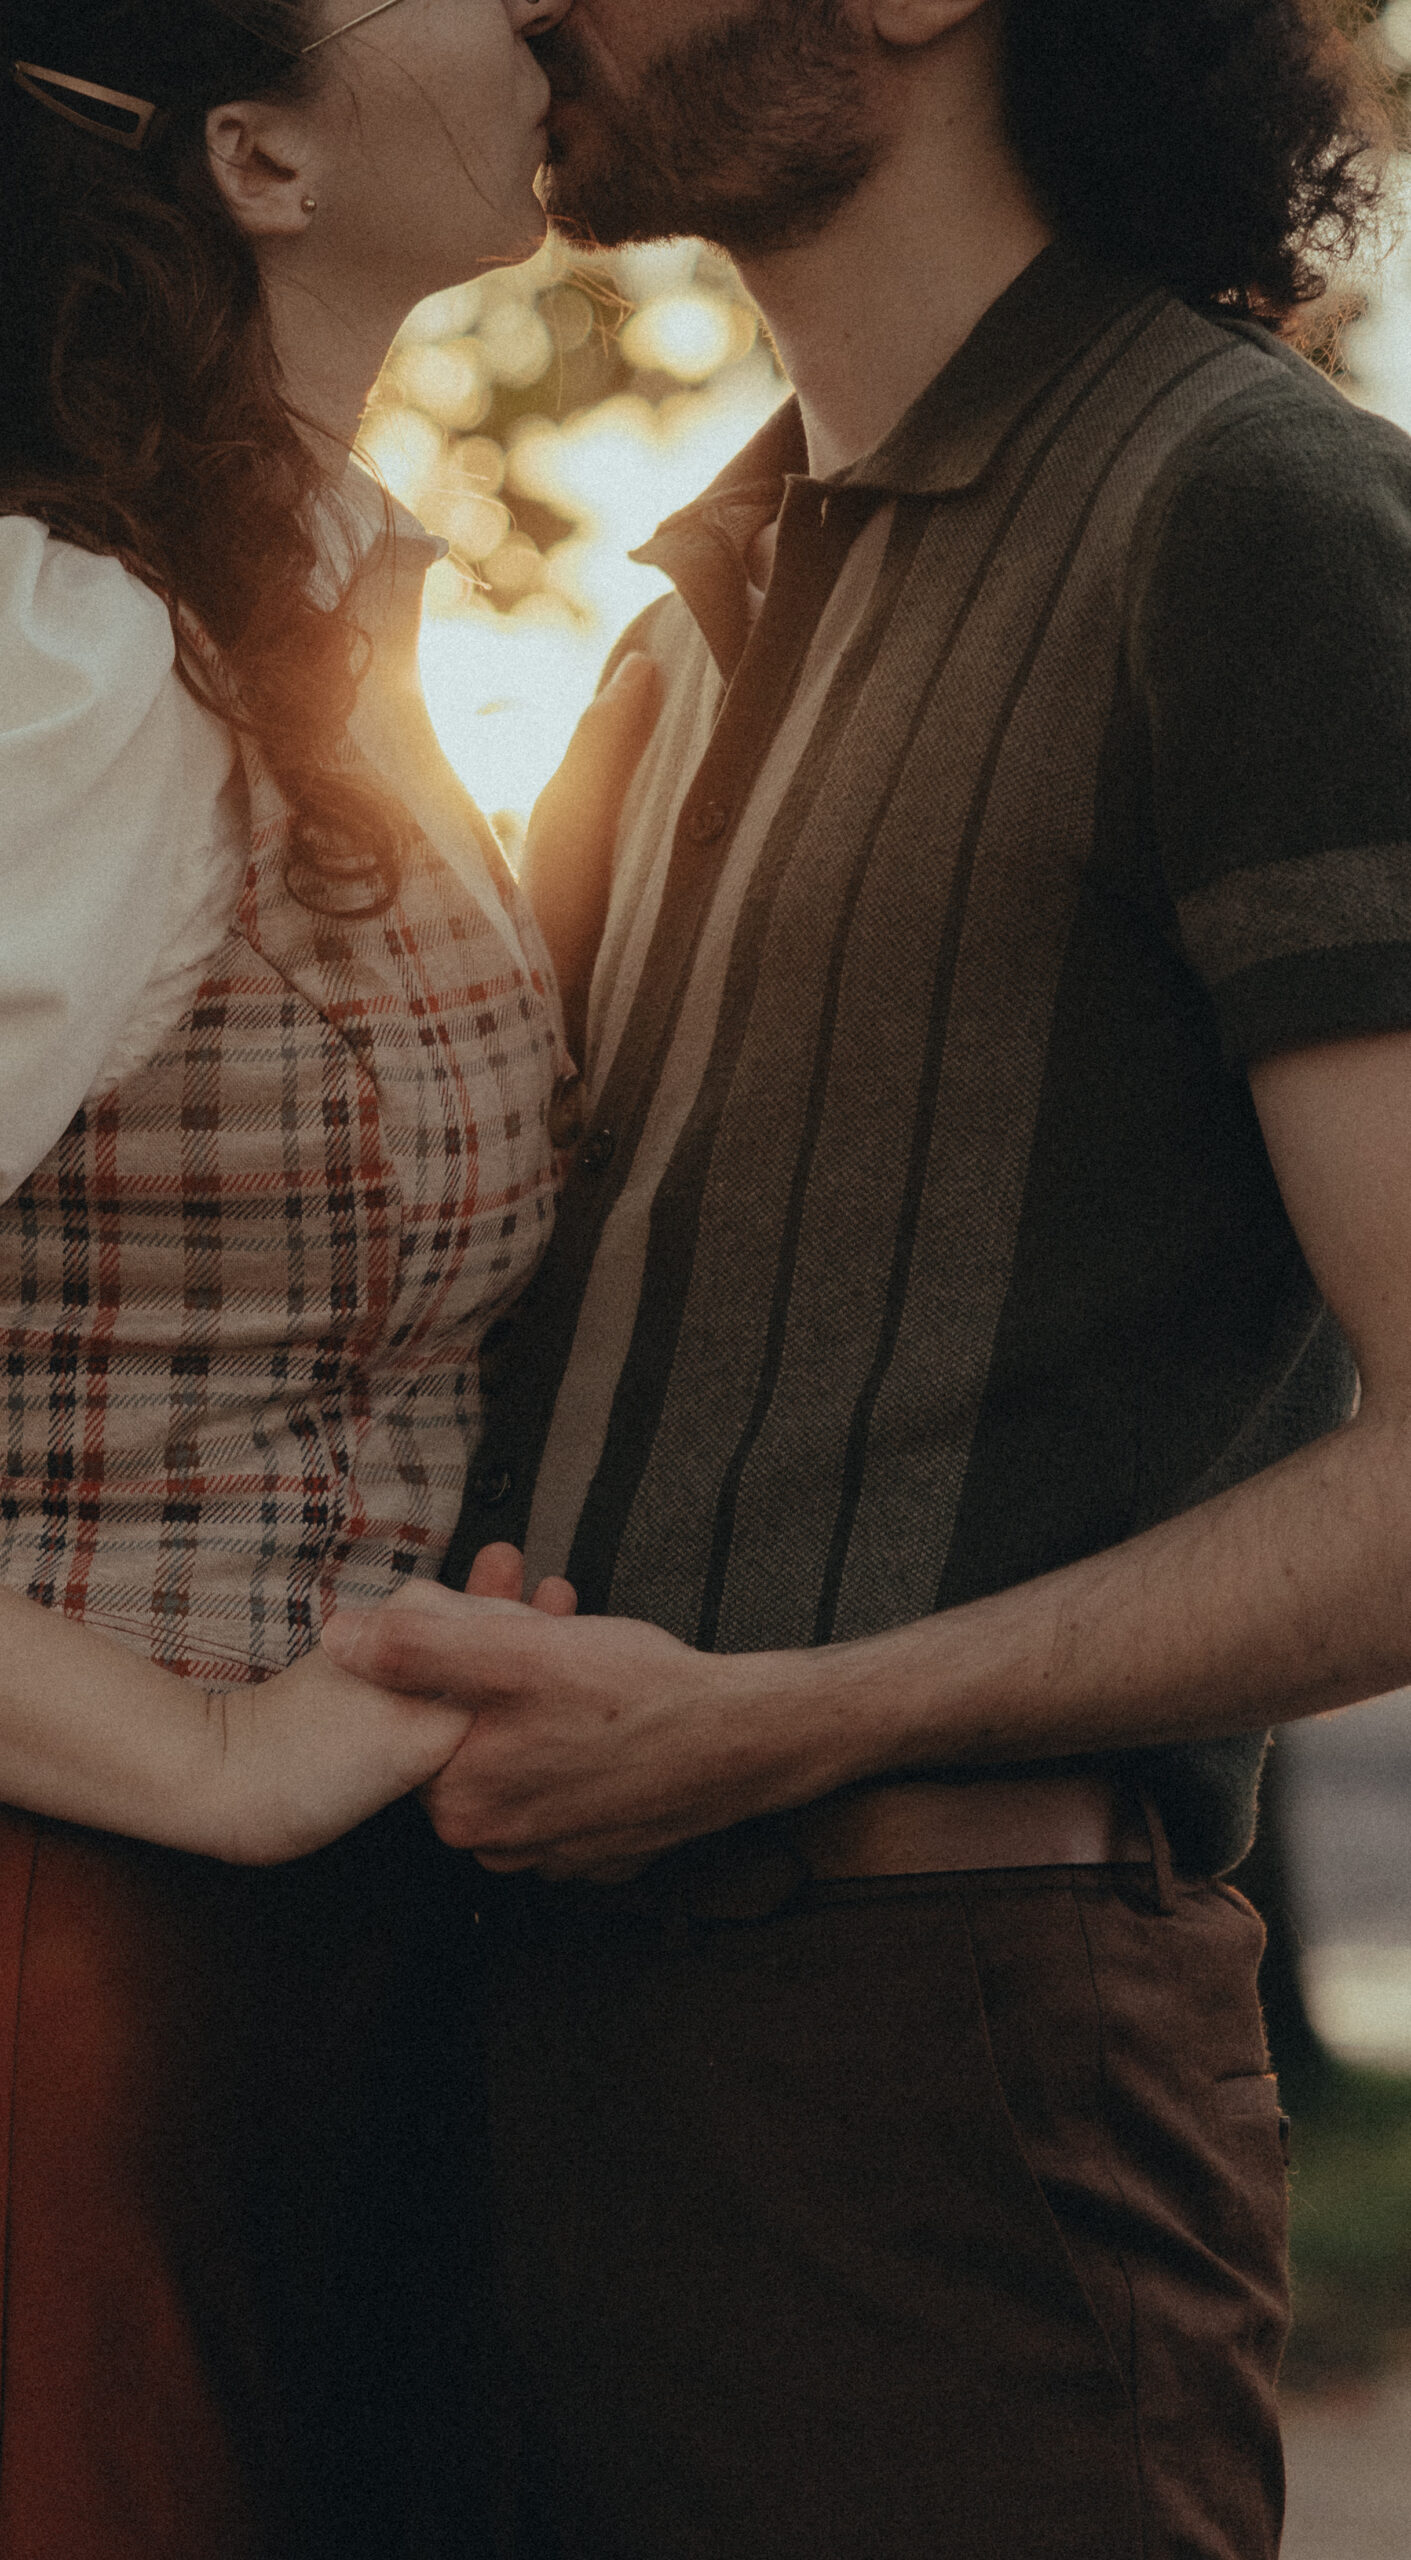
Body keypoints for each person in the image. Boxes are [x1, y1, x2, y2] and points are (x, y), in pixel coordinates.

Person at [325, 1, 1411, 2551]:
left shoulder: (1248, 518)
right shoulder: (674, 620)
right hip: (503, 2050)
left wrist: (782, 1719)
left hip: (949, 2080)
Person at [0, 1, 651, 2552]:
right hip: (21, 2006)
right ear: (251, 151)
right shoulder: (39, 657)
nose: (530, 7)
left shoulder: (256, 627)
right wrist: (206, 1757)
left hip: (255, 2015)